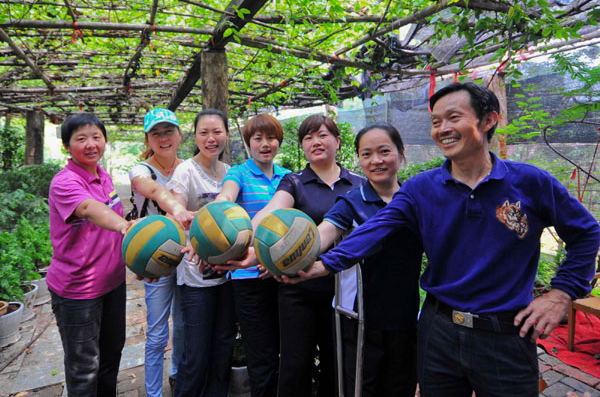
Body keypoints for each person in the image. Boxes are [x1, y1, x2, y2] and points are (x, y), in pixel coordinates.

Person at [290, 82, 600, 397]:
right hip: (439, 332)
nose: (442, 129)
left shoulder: (530, 183)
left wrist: (562, 293)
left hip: (506, 335)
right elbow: (376, 228)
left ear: (489, 119)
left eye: (453, 117)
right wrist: (323, 264)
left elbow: (586, 232)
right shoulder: (421, 189)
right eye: (436, 122)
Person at [238, 114, 364, 397]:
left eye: (322, 135)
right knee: (295, 366)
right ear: (302, 146)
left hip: (344, 293)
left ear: (337, 141)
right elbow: (270, 212)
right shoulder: (293, 183)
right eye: (308, 137)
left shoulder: (357, 184)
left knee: (338, 365)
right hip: (298, 288)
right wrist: (242, 240)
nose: (316, 142)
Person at [316, 123, 422, 397]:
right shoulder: (350, 202)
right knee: (362, 389)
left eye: (384, 151)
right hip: (361, 319)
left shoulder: (417, 199)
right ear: (359, 159)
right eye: (366, 154)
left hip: (407, 317)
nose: (376, 161)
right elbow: (321, 236)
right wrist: (280, 256)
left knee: (401, 387)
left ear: (401, 153)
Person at [48, 113, 134, 396]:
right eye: (81, 138)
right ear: (66, 146)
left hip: (112, 284)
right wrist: (124, 225)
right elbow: (87, 209)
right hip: (78, 290)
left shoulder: (103, 175)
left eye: (97, 137)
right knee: (84, 369)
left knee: (111, 356)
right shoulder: (65, 181)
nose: (91, 144)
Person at [213, 114, 291, 397]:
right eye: (257, 138)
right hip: (247, 277)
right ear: (248, 143)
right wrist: (215, 211)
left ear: (279, 142)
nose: (265, 144)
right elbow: (225, 197)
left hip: (283, 275)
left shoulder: (287, 177)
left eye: (271, 138)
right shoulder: (239, 173)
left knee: (287, 348)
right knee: (261, 353)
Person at [167, 109, 235, 397]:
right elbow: (176, 207)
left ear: (226, 135)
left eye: (217, 132)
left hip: (229, 272)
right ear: (194, 137)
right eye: (204, 133)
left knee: (223, 346)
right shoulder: (186, 171)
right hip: (196, 277)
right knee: (195, 352)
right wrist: (181, 214)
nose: (211, 138)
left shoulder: (230, 173)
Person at [128, 108, 195, 397]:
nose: (163, 138)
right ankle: (153, 393)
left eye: (169, 131)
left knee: (182, 324)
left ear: (180, 135)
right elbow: (153, 191)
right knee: (157, 333)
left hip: (188, 255)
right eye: (156, 133)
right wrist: (177, 208)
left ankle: (177, 378)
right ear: (148, 139)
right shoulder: (141, 170)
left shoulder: (190, 167)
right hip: (157, 260)